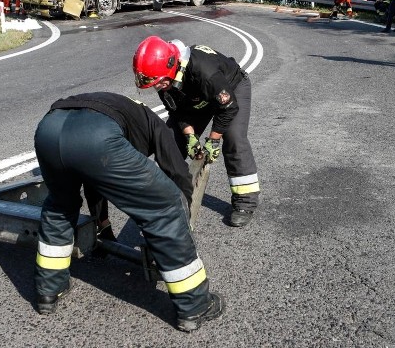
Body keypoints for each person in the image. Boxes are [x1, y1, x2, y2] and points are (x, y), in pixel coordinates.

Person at [33, 91, 224, 332]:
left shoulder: (121, 110)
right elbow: (177, 171)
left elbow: (95, 179)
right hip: (95, 135)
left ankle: (49, 291)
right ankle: (195, 305)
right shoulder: (157, 126)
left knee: (60, 206)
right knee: (165, 205)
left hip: (49, 129)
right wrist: (182, 213)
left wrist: (104, 227)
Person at [132, 36, 260, 228]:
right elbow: (178, 111)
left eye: (159, 83)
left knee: (234, 138)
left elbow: (229, 108)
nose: (157, 87)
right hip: (198, 98)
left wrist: (213, 140)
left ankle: (245, 202)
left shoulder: (204, 71)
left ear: (172, 65)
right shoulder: (163, 77)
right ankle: (168, 199)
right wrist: (190, 136)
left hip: (231, 90)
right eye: (155, 84)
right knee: (170, 142)